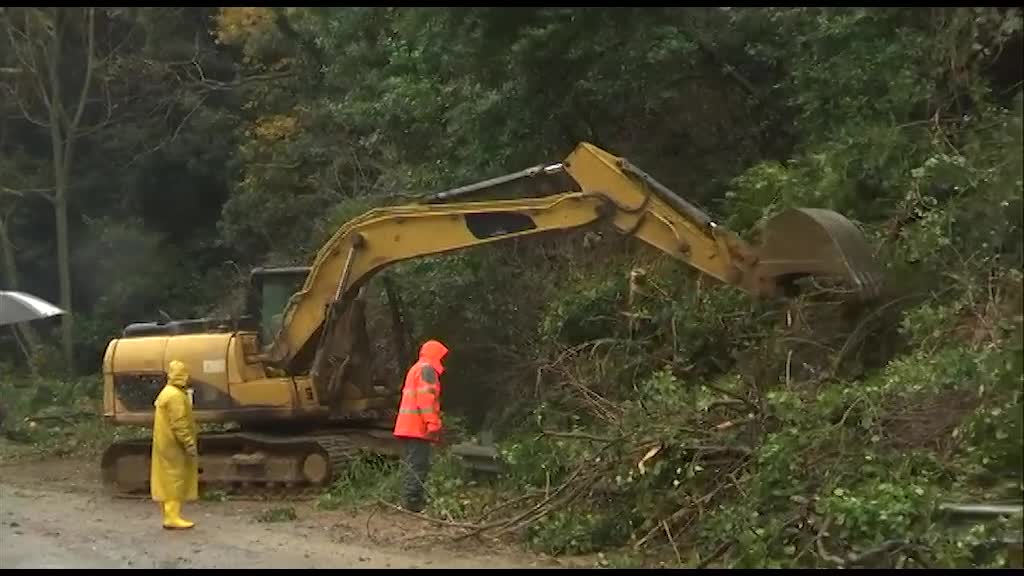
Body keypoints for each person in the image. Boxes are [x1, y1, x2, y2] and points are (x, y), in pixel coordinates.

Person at [392, 339, 449, 513]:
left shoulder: (416, 368)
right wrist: (432, 423)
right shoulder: (427, 370)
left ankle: (407, 500)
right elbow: (426, 399)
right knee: (418, 465)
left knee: (411, 465)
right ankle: (412, 503)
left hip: (407, 426)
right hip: (417, 428)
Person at [150, 359, 200, 529]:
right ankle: (172, 517)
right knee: (175, 478)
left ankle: (169, 515)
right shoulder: (176, 396)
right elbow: (179, 423)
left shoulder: (167, 392)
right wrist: (188, 443)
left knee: (167, 478)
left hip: (166, 443)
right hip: (173, 445)